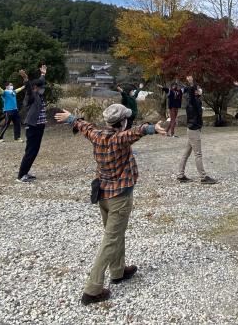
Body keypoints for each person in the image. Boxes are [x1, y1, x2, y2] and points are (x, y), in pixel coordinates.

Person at [53, 103, 168, 305]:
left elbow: (84, 125)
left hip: (103, 195)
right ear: (123, 122)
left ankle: (118, 271)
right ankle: (92, 289)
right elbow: (136, 132)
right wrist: (152, 129)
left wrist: (71, 118)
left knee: (115, 234)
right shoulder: (119, 139)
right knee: (110, 240)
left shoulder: (97, 135)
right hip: (120, 198)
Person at [176, 83, 218, 184]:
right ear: (195, 91)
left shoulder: (195, 100)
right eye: (199, 88)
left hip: (192, 130)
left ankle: (180, 175)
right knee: (198, 154)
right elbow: (190, 92)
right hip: (193, 130)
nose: (201, 89)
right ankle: (203, 177)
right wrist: (191, 84)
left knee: (186, 153)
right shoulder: (193, 100)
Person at [17, 64, 47, 183]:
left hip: (40, 126)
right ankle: (21, 175)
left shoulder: (39, 94)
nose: (42, 89)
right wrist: (25, 78)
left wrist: (43, 74)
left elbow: (40, 82)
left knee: (34, 151)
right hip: (33, 127)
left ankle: (25, 172)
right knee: (30, 151)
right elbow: (29, 87)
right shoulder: (31, 95)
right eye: (40, 87)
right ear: (35, 87)